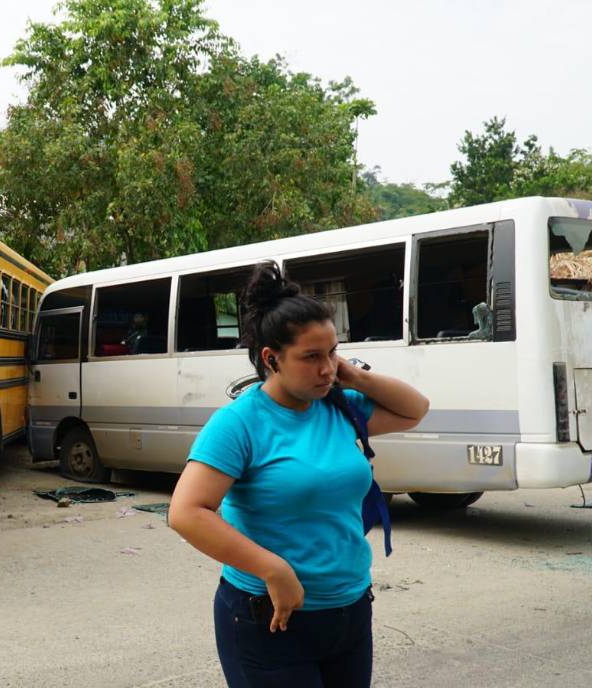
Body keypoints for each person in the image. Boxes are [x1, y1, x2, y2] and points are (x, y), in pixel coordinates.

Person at [169, 263, 429, 687]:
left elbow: (414, 409)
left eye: (332, 352)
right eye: (311, 357)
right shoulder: (239, 424)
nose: (326, 368)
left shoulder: (340, 407)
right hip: (269, 616)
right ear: (271, 358)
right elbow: (187, 512)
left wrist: (354, 376)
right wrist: (273, 569)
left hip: (349, 610)